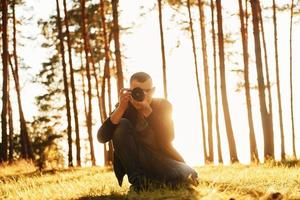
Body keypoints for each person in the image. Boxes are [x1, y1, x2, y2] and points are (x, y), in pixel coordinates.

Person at [97, 72, 198, 192]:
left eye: (148, 91)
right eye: (138, 91)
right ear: (130, 91)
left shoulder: (163, 105)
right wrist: (120, 109)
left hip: (160, 159)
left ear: (153, 90)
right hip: (135, 161)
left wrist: (148, 111)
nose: (143, 95)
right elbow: (101, 137)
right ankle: (139, 183)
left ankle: (153, 182)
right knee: (121, 124)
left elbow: (169, 137)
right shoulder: (124, 107)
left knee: (190, 175)